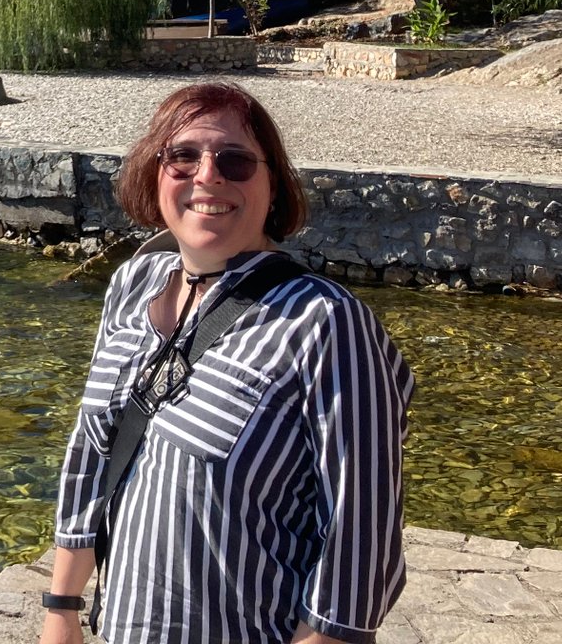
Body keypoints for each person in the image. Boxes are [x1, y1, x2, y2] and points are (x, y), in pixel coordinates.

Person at [38, 82, 413, 644]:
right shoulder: (133, 284)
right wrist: (61, 608)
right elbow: (91, 451)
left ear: (272, 185)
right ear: (155, 172)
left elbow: (362, 536)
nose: (208, 176)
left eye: (235, 161)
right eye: (183, 156)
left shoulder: (325, 322)